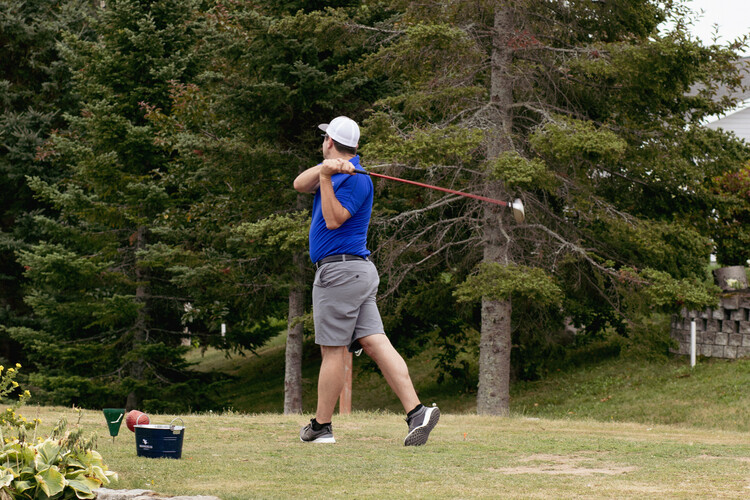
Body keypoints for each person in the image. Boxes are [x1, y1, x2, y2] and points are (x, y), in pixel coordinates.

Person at [293, 116, 439, 446]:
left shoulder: (357, 180)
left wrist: (328, 177)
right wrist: (326, 169)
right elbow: (300, 184)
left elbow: (332, 220)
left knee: (332, 352)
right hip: (354, 272)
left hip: (340, 273)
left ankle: (321, 426)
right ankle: (417, 411)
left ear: (330, 140)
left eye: (324, 138)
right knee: (375, 342)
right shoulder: (335, 170)